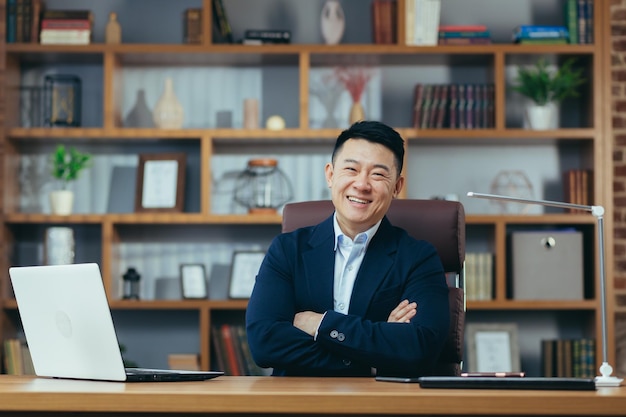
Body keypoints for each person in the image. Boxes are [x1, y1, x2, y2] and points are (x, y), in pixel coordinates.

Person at [245, 120, 450, 377]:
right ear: (330, 175)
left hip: (379, 407)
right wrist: (373, 356)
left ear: (397, 187)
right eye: (351, 169)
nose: (362, 184)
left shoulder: (418, 257)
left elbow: (419, 348)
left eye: (378, 174)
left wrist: (320, 324)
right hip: (298, 404)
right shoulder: (288, 249)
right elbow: (264, 343)